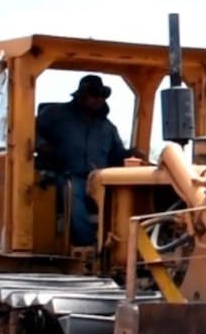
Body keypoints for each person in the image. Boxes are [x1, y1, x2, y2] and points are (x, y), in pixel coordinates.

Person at [35, 74, 144, 246]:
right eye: (94, 94)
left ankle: (126, 242)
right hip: (62, 176)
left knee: (124, 195)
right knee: (73, 190)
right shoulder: (54, 115)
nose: (98, 99)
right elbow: (30, 133)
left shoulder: (107, 128)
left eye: (102, 95)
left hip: (99, 181)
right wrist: (42, 145)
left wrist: (132, 154)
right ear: (81, 96)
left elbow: (117, 156)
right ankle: (87, 243)